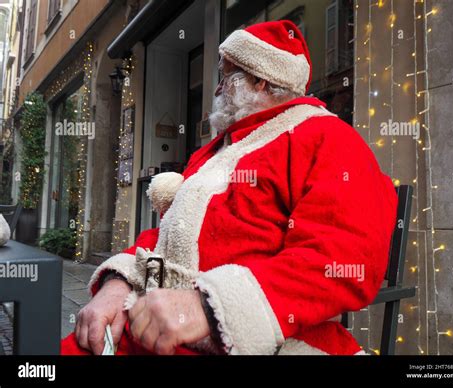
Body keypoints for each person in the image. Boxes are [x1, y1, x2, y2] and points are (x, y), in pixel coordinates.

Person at [62, 20, 397, 356]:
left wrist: (208, 307)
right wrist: (116, 284)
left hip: (256, 340)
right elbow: (167, 235)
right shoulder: (215, 151)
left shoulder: (326, 137)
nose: (217, 89)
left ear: (261, 80)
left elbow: (346, 255)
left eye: (226, 76)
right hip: (153, 322)